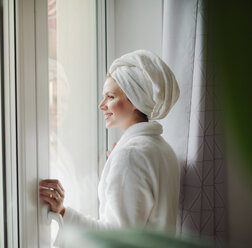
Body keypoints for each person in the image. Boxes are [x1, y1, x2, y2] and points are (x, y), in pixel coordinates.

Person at [39, 50, 181, 236]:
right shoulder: (162, 148)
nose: (101, 105)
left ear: (135, 101)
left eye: (111, 97)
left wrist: (63, 212)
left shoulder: (131, 155)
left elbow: (115, 238)